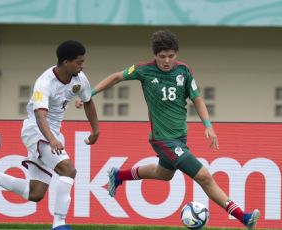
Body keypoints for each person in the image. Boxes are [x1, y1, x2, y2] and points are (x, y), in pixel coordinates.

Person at [76, 30, 259, 229]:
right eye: (162, 57)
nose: (167, 61)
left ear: (176, 54)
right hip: (162, 139)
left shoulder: (184, 71)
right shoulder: (143, 70)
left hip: (179, 138)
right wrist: (88, 94)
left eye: (171, 56)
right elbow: (116, 77)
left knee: (163, 174)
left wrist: (208, 126)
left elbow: (197, 99)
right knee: (205, 177)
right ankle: (244, 218)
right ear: (155, 55)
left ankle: (119, 175)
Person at [0, 40, 99, 230]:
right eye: (79, 62)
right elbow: (40, 114)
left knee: (35, 193)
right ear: (66, 62)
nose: (82, 65)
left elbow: (88, 101)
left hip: (53, 133)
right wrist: (51, 140)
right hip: (36, 130)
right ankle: (59, 224)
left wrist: (95, 129)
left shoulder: (80, 78)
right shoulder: (44, 82)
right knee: (68, 170)